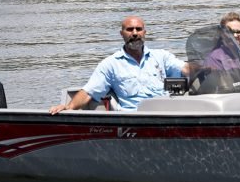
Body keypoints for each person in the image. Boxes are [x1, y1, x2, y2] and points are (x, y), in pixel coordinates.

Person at [49, 16, 190, 113]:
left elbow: (185, 68)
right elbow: (89, 92)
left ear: (144, 33)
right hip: (135, 119)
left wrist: (206, 67)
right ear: (121, 34)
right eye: (129, 30)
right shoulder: (110, 64)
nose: (135, 33)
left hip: (166, 114)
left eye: (138, 29)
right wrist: (68, 107)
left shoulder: (161, 56)